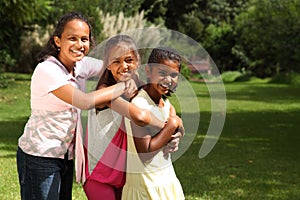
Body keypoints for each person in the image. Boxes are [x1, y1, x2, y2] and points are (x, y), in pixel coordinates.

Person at [15, 12, 146, 200]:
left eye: (84, 39)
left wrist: (130, 72)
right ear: (58, 41)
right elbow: (84, 101)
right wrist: (124, 85)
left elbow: (112, 64)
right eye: (72, 38)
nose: (79, 44)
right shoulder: (47, 70)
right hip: (40, 155)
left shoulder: (80, 65)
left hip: (66, 156)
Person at [83, 35, 183, 200]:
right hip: (100, 173)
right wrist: (169, 127)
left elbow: (169, 111)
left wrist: (177, 131)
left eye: (129, 60)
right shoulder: (105, 91)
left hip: (124, 174)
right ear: (107, 64)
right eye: (116, 61)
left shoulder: (141, 90)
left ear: (138, 61)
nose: (123, 66)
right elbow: (140, 116)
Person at [122, 47, 185, 200]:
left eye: (174, 75)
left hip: (166, 179)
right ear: (149, 72)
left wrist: (178, 133)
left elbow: (174, 129)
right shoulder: (140, 104)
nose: (168, 79)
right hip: (146, 185)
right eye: (162, 73)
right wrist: (173, 124)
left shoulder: (165, 103)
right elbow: (145, 152)